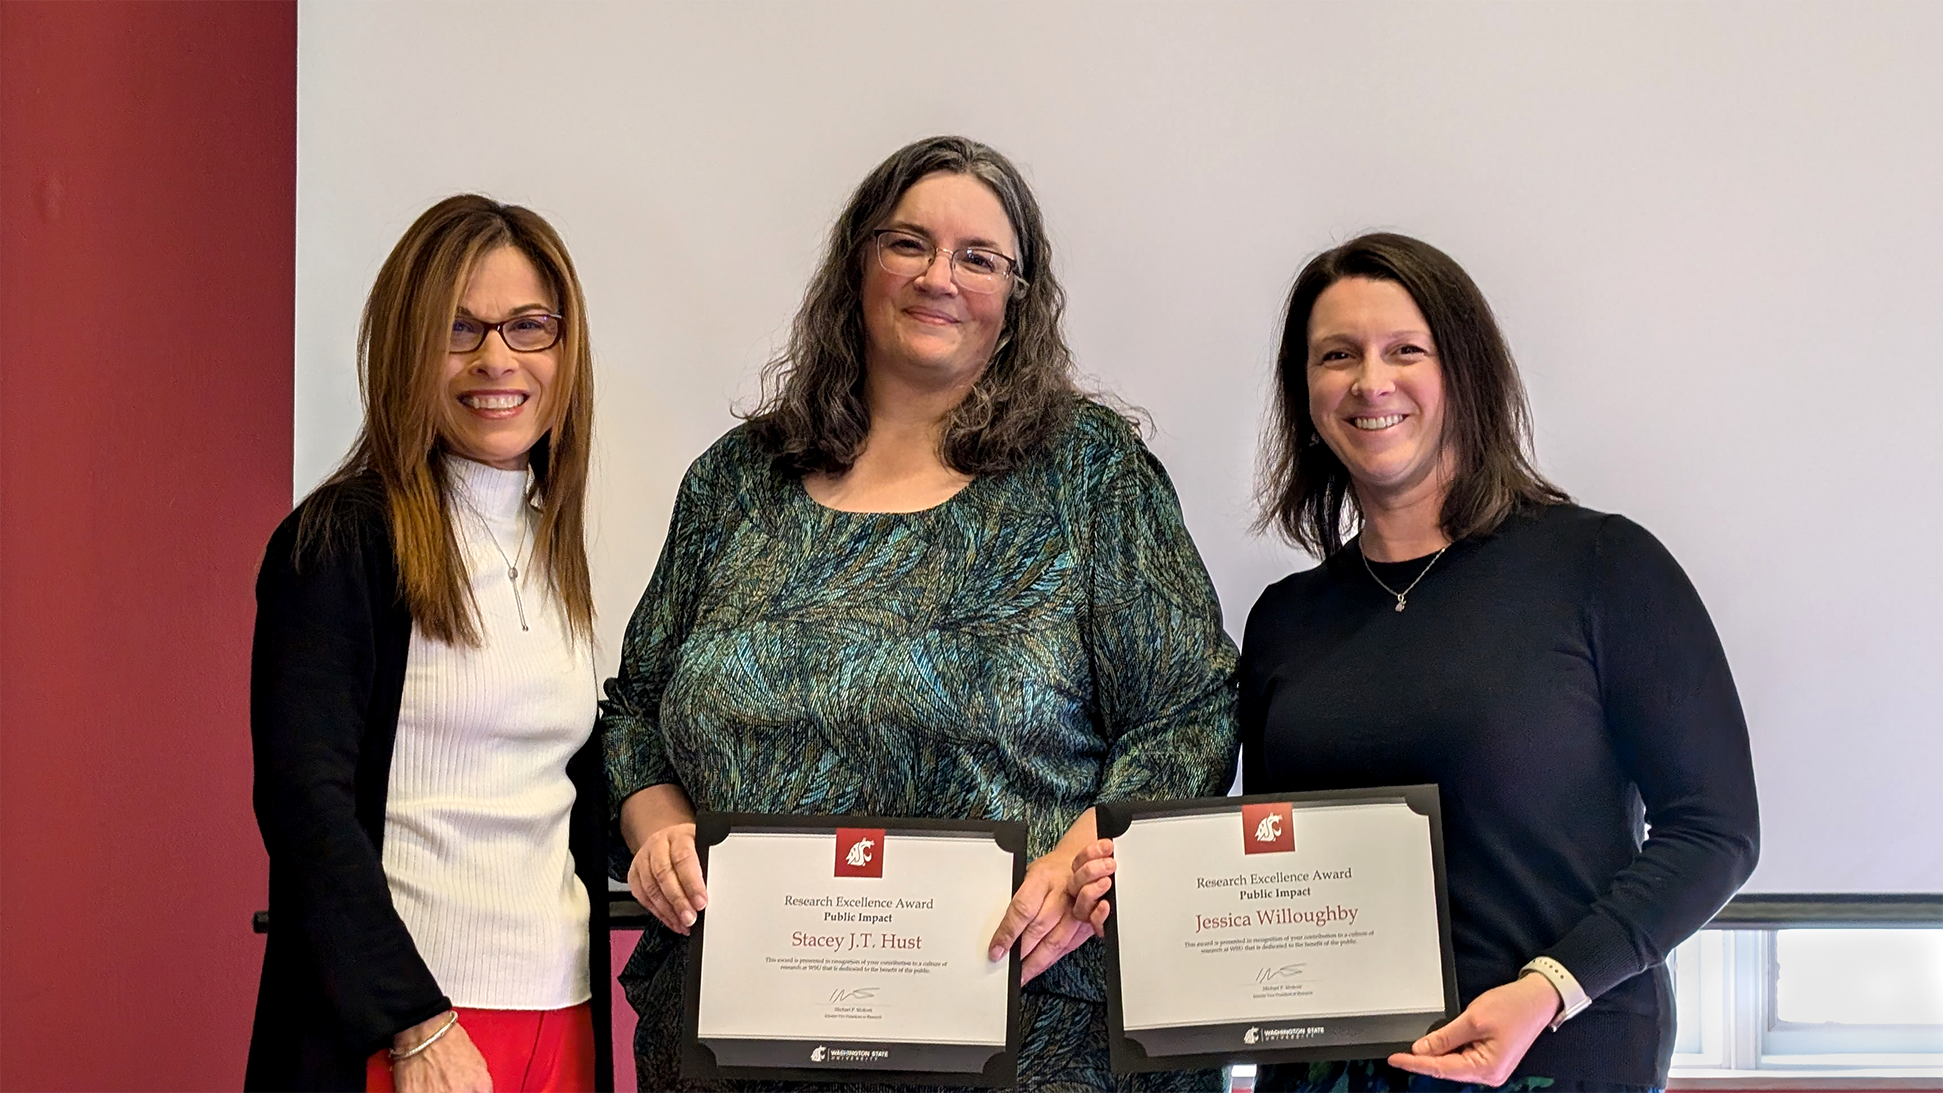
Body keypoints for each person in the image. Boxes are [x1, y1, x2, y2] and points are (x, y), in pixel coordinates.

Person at [601, 135, 1238, 1092]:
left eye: (979, 257)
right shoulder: (737, 480)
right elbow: (636, 711)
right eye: (908, 243)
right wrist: (655, 831)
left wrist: (1083, 856)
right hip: (743, 1030)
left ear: (1017, 298)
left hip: (1029, 1026)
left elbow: (1189, 713)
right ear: (855, 263)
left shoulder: (1090, 473)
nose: (940, 276)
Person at [1086, 232, 1760, 1092]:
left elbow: (1715, 829)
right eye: (1337, 356)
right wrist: (1142, 892)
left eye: (1406, 350)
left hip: (1553, 1056)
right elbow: (1269, 870)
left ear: (1465, 373)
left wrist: (1547, 989)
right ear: (1307, 395)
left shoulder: (1600, 566)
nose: (1371, 382)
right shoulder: (1287, 619)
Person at [246, 195, 611, 1093]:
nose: (498, 359)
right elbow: (306, 801)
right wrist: (414, 1021)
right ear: (409, 348)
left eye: (530, 326)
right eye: (459, 329)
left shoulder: (547, 539)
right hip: (412, 1029)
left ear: (565, 352)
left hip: (558, 1011)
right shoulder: (338, 541)